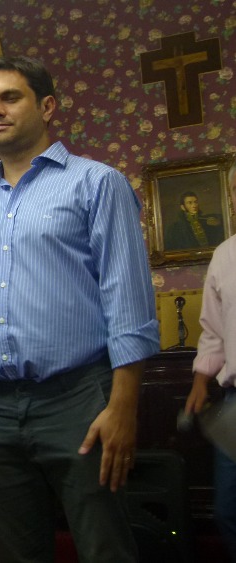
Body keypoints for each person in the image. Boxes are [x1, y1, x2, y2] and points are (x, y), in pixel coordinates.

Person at [0, 56, 160, 563]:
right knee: (18, 552)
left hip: (79, 399)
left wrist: (124, 406)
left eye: (10, 97)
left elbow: (128, 301)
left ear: (47, 107)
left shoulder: (97, 183)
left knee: (104, 547)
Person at [184, 161, 236, 562]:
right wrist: (201, 382)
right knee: (227, 510)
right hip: (235, 402)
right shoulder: (225, 255)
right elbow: (213, 331)